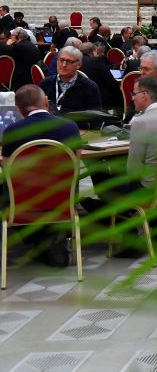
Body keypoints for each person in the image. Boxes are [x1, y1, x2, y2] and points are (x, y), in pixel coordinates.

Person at [0, 84, 81, 266]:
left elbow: (8, 172)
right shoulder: (70, 127)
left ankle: (38, 240)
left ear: (19, 110)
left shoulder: (13, 131)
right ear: (46, 102)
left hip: (23, 203)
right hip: (62, 201)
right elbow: (74, 167)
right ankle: (50, 238)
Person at [40, 46, 102, 119]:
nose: (64, 65)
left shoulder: (90, 87)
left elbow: (96, 118)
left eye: (69, 61)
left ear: (79, 64)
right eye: (61, 60)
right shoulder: (46, 83)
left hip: (76, 128)